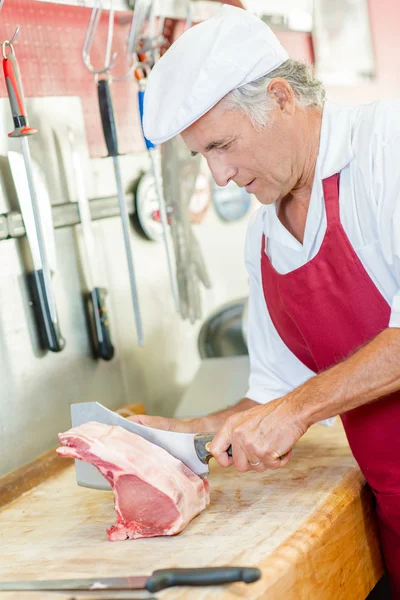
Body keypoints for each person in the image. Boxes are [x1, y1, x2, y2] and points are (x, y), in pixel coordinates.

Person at [134, 5, 400, 593]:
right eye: (203, 156)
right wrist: (173, 438)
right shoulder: (262, 238)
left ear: (280, 97)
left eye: (223, 145)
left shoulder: (388, 146)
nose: (220, 176)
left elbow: (293, 406)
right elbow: (271, 397)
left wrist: (299, 410)